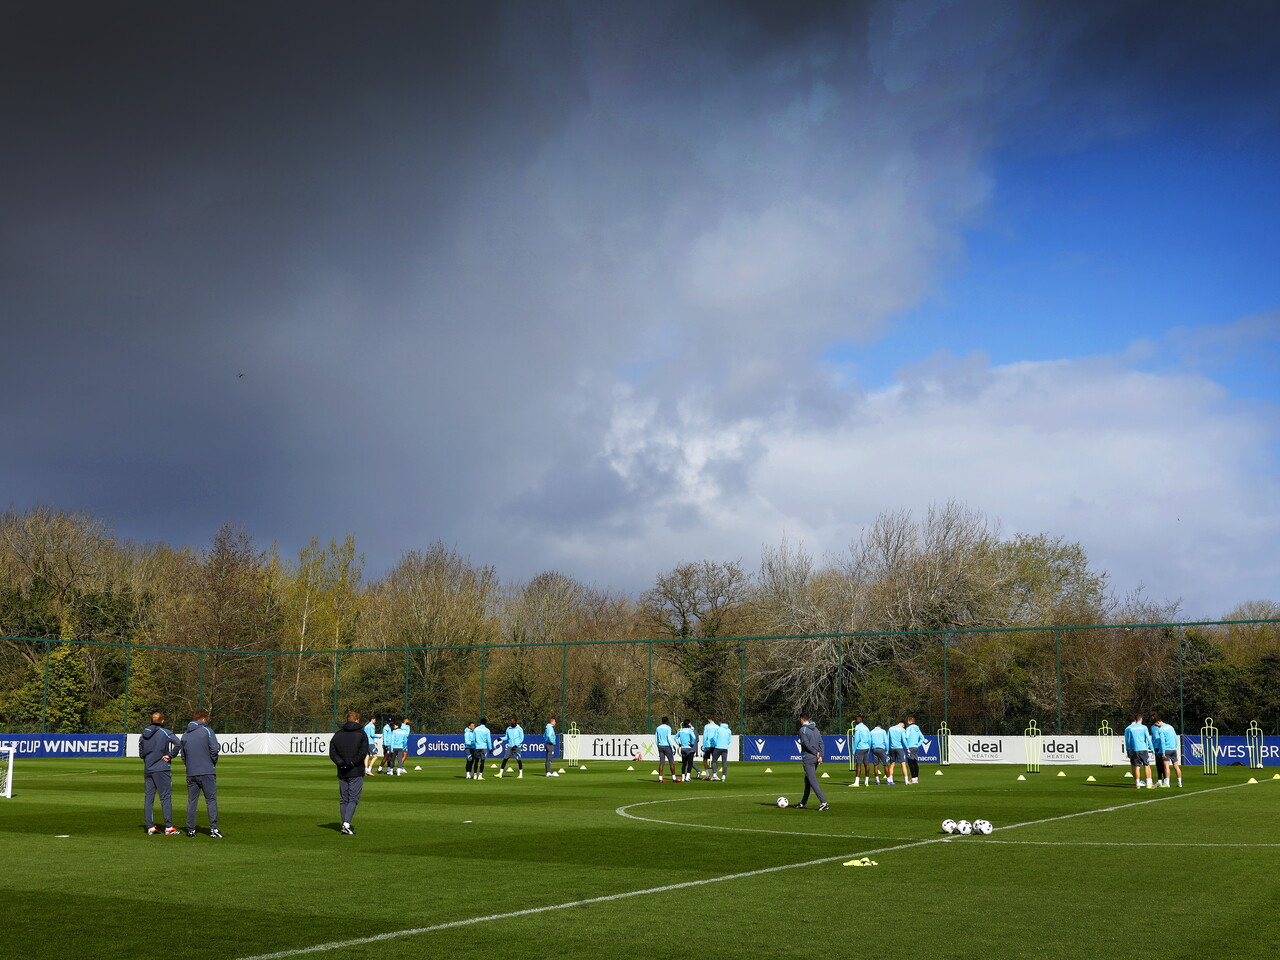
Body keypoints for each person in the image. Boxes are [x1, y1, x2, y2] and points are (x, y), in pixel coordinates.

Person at [179, 709, 222, 837]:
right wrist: (212, 763)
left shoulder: (185, 735)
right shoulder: (208, 731)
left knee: (192, 801)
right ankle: (213, 829)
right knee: (211, 800)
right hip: (207, 771)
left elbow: (183, 756)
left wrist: (190, 766)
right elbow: (214, 749)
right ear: (203, 719)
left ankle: (191, 830)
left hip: (191, 772)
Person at [139, 711, 182, 835]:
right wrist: (170, 755)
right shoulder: (165, 732)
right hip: (161, 769)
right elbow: (178, 743)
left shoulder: (144, 734)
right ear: (162, 721)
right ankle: (168, 827)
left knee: (149, 799)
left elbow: (141, 753)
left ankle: (150, 827)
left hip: (148, 769)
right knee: (165, 797)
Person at [329, 711, 370, 835]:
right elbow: (362, 753)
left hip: (342, 771)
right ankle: (346, 824)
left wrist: (341, 763)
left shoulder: (337, 734)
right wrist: (352, 763)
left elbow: (333, 753)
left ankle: (344, 824)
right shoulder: (361, 734)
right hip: (355, 770)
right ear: (357, 720)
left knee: (344, 799)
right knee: (353, 798)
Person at [793, 713, 829, 811]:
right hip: (815, 758)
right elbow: (821, 743)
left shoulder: (802, 730)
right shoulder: (816, 729)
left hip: (808, 757)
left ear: (801, 720)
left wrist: (816, 753)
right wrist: (820, 755)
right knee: (807, 780)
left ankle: (824, 802)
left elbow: (806, 744)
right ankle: (803, 802)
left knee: (812, 780)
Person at [1124, 713, 1155, 789]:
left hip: (1135, 749)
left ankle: (1137, 783)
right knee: (1146, 765)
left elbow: (1128, 741)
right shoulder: (1144, 727)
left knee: (1137, 766)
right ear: (1141, 719)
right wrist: (1152, 749)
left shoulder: (1130, 728)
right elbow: (1148, 738)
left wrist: (1128, 751)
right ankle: (1149, 783)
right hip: (1143, 748)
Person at [1151, 714, 1182, 788]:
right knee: (1176, 766)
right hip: (1173, 749)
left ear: (1158, 722)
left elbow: (1162, 742)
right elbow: (1175, 737)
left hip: (1166, 749)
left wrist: (1163, 752)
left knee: (1166, 767)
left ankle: (1167, 783)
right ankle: (1180, 782)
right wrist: (1175, 747)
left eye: (1156, 724)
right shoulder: (1170, 727)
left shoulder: (1161, 729)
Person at [887, 719, 908, 785]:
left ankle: (890, 780)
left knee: (892, 764)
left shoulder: (890, 728)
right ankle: (906, 781)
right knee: (903, 764)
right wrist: (907, 748)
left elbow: (887, 739)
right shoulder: (902, 730)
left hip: (892, 748)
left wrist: (887, 749)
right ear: (902, 724)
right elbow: (904, 740)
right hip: (899, 748)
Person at [655, 716, 676, 782]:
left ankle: (660, 778)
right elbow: (669, 738)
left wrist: (658, 745)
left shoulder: (658, 728)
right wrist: (672, 748)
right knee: (671, 762)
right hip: (667, 746)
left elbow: (656, 739)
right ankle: (674, 778)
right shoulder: (668, 728)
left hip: (660, 746)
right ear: (667, 721)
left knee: (661, 762)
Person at [904, 716, 924, 784]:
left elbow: (906, 737)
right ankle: (916, 778)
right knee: (915, 762)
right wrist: (917, 745)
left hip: (910, 747)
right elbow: (922, 738)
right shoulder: (917, 728)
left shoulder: (909, 728)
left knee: (910, 762)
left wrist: (907, 747)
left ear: (909, 721)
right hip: (916, 747)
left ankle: (913, 778)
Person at [852, 716, 871, 786]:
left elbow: (856, 739)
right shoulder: (866, 727)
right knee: (866, 764)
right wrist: (869, 747)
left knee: (858, 764)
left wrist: (854, 750)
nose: (855, 721)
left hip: (860, 748)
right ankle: (866, 781)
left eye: (856, 719)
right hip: (866, 747)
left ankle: (857, 782)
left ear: (859, 720)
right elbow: (869, 739)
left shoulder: (858, 727)